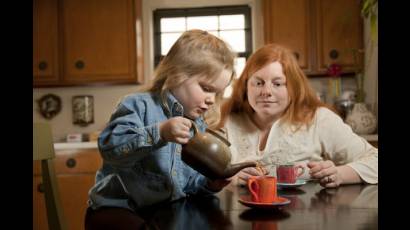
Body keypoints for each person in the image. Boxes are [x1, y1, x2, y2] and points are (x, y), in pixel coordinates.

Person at [85, 29, 236, 230]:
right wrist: (160, 132)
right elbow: (110, 147)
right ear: (176, 75)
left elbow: (186, 182)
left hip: (163, 212)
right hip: (116, 211)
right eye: (206, 88)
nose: (211, 99)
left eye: (217, 93)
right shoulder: (138, 105)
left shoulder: (196, 125)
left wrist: (209, 184)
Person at [216, 43, 378, 188]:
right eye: (258, 83)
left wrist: (340, 174)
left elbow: (375, 160)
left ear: (293, 88)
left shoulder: (319, 119)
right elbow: (197, 176)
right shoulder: (225, 120)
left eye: (278, 84)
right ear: (245, 86)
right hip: (241, 220)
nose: (266, 92)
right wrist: (228, 178)